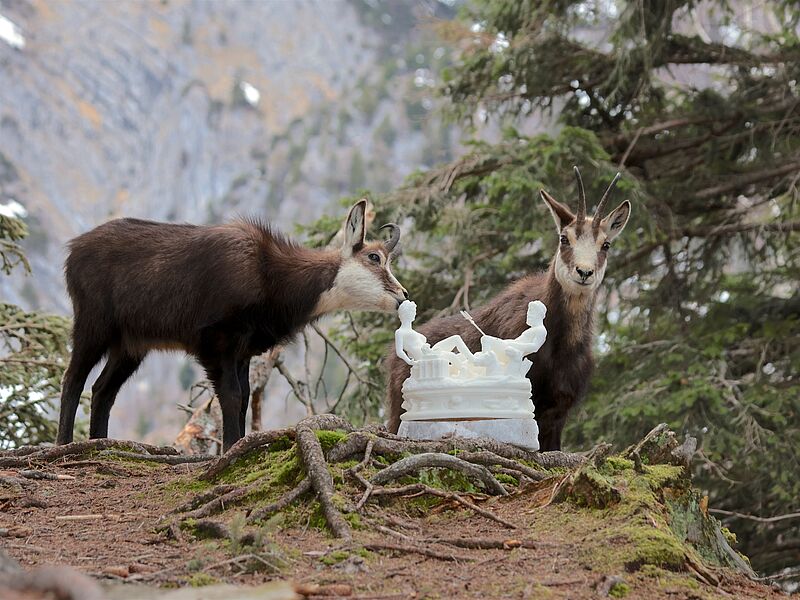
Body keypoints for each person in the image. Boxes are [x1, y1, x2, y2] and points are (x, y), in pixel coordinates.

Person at [395, 301, 432, 366]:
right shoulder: (400, 332)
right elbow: (399, 352)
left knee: (455, 339)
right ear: (404, 314)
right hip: (424, 357)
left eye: (414, 311)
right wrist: (409, 361)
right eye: (412, 311)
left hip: (430, 353)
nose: (414, 313)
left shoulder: (415, 333)